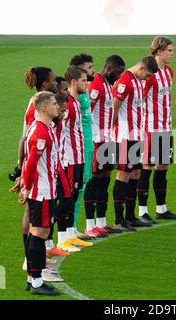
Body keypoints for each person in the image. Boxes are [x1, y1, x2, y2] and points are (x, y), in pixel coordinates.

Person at [138, 36, 176, 224]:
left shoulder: (169, 72)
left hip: (165, 126)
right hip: (150, 127)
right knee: (146, 167)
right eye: (169, 50)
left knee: (163, 166)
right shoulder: (150, 74)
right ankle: (142, 211)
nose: (172, 54)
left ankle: (161, 208)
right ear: (159, 51)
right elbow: (140, 100)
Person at [19, 91, 60, 296]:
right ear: (43, 107)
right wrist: (26, 186)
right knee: (40, 233)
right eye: (53, 103)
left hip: (44, 189)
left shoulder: (43, 128)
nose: (57, 106)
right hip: (43, 191)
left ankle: (32, 279)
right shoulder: (41, 133)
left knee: (38, 233)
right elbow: (32, 163)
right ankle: (36, 282)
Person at [112, 56, 158, 231]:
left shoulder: (138, 80)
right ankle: (119, 220)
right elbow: (114, 106)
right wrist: (115, 129)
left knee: (136, 173)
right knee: (123, 174)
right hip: (125, 136)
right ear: (141, 68)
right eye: (148, 75)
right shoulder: (125, 80)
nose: (148, 79)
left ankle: (130, 216)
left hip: (138, 134)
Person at [85, 55, 126, 235]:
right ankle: (89, 225)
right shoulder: (96, 85)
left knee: (104, 181)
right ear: (110, 68)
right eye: (118, 72)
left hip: (108, 139)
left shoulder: (109, 85)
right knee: (94, 181)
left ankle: (101, 222)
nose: (119, 76)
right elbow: (87, 114)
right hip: (97, 140)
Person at [56, 66, 90, 252]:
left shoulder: (76, 103)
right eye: (84, 80)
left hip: (78, 157)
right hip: (68, 158)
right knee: (67, 199)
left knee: (74, 195)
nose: (87, 84)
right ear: (74, 82)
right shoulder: (67, 104)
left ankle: (70, 235)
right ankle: (61, 239)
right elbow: (58, 130)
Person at [69, 54, 100, 238]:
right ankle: (69, 230)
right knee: (76, 188)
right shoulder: (75, 95)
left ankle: (73, 229)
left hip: (88, 144)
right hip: (78, 147)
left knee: (81, 187)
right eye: (89, 68)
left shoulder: (85, 91)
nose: (92, 71)